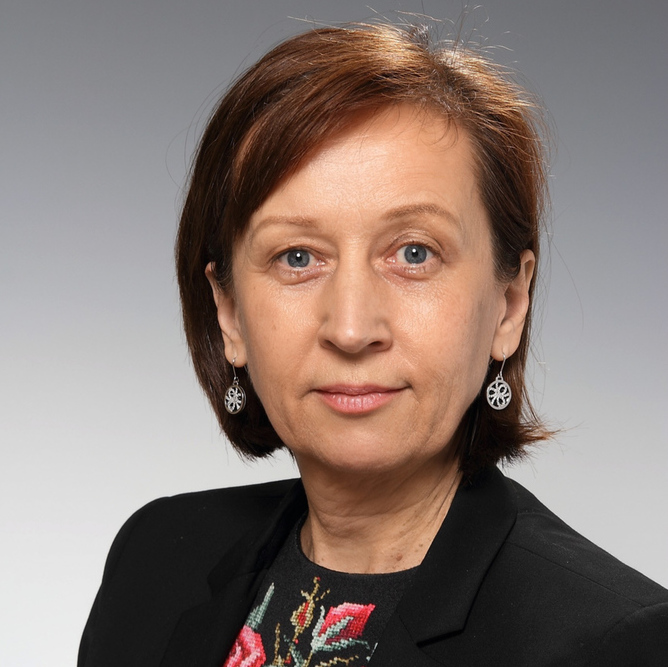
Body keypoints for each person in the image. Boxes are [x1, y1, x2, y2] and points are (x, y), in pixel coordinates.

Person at [78, 22, 668, 667]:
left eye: (414, 253)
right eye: (297, 257)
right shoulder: (155, 557)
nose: (352, 330)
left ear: (508, 304)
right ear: (230, 313)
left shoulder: (616, 641)